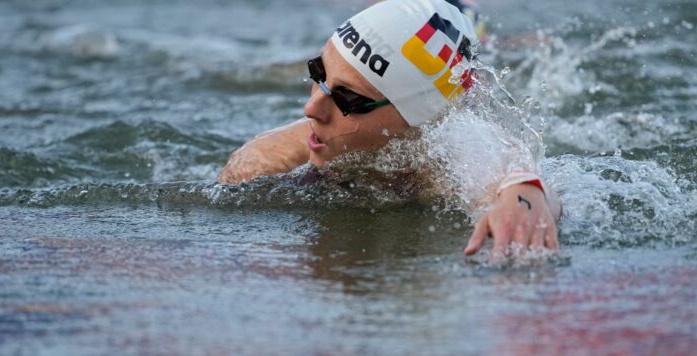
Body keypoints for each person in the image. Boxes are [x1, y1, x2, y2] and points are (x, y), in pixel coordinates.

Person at [218, 0, 562, 257]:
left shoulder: (445, 154)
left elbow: (513, 174)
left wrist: (526, 194)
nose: (311, 108)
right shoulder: (268, 160)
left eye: (349, 99)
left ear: (418, 121)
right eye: (317, 74)